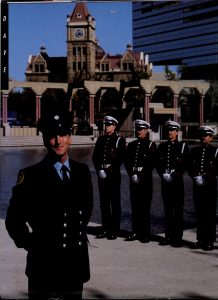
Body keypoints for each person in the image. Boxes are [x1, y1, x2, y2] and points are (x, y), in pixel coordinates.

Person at [5, 111, 93, 300]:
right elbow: (14, 221)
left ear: (70, 137)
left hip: (75, 265)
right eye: (52, 136)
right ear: (45, 140)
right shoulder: (30, 176)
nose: (58, 141)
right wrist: (33, 246)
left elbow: (85, 211)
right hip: (43, 267)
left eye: (63, 135)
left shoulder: (82, 172)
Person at [92, 114, 126, 240]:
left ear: (114, 126)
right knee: (104, 203)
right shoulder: (101, 140)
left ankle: (114, 230)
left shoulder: (119, 140)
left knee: (115, 203)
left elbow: (120, 159)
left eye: (109, 125)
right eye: (106, 125)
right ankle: (105, 229)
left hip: (113, 176)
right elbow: (95, 157)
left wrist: (108, 170)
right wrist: (99, 170)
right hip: (102, 176)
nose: (106, 127)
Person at [156, 120, 189, 247]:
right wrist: (162, 174)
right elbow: (158, 164)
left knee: (178, 211)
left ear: (177, 132)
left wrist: (174, 175)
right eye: (168, 130)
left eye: (172, 130)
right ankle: (168, 236)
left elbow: (185, 164)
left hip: (177, 183)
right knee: (168, 210)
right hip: (165, 182)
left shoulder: (182, 146)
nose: (170, 132)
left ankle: (178, 238)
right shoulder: (162, 146)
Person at [124, 119, 157, 243]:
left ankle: (145, 234)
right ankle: (134, 232)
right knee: (135, 207)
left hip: (145, 181)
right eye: (138, 129)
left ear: (146, 131)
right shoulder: (132, 145)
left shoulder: (150, 145)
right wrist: (132, 174)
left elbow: (151, 164)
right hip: (133, 180)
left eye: (142, 129)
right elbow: (127, 162)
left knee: (145, 207)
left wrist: (141, 175)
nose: (139, 131)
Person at [188, 126, 218, 251]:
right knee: (199, 212)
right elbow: (190, 167)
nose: (203, 137)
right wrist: (195, 177)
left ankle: (210, 240)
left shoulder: (215, 151)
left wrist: (206, 177)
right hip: (197, 185)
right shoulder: (195, 151)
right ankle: (200, 239)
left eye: (206, 135)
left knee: (209, 213)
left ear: (211, 137)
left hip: (210, 186)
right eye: (202, 135)